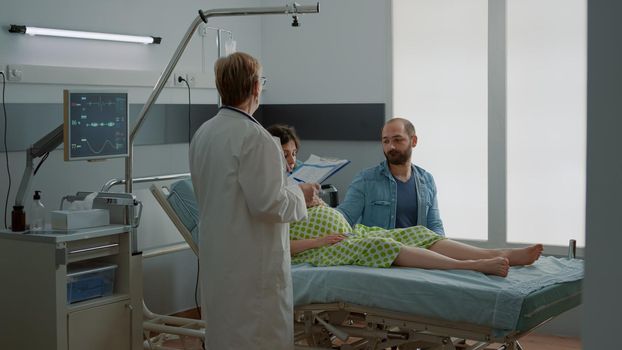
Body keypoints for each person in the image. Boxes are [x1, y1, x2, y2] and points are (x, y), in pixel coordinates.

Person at [189, 52, 320, 350]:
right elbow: (269, 205)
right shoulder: (256, 138)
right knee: (258, 336)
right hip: (251, 266)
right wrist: (302, 194)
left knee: (225, 333)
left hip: (219, 259)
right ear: (256, 88)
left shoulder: (204, 133)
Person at [290, 206, 543, 277]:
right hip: (321, 251)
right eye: (286, 155)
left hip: (352, 233)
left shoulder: (293, 185)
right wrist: (319, 241)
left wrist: (319, 205)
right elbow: (279, 246)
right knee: (382, 246)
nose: (291, 161)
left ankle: (497, 252)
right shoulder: (271, 195)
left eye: (293, 155)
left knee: (417, 232)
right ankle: (474, 265)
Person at [337, 117, 445, 235]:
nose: (391, 147)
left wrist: (442, 250)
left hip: (419, 250)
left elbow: (435, 225)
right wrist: (319, 208)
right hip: (382, 251)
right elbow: (344, 216)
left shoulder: (427, 180)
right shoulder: (366, 180)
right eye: (386, 141)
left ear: (413, 141)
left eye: (397, 140)